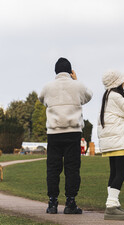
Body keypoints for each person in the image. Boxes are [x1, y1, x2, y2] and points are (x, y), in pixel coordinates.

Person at [39, 57, 93, 214]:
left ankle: (52, 203)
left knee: (53, 168)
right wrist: (76, 80)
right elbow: (88, 96)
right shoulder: (77, 86)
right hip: (73, 132)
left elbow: (42, 100)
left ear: (55, 71)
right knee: (72, 168)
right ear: (70, 71)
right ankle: (70, 202)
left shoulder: (47, 87)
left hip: (54, 133)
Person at [98, 70, 124, 220]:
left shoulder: (108, 95)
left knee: (114, 173)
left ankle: (114, 203)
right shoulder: (115, 96)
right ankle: (111, 206)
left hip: (112, 141)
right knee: (121, 173)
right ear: (117, 82)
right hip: (118, 141)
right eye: (123, 80)